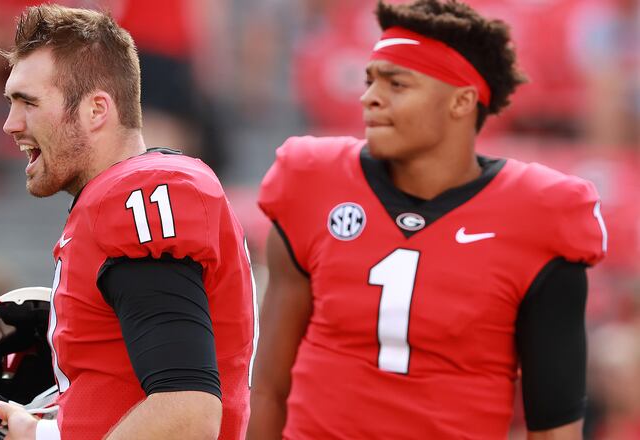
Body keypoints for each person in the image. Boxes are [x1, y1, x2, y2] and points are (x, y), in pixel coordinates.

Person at [247, 1, 608, 439]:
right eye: (369, 80)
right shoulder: (311, 179)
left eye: (397, 83)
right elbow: (268, 386)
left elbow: (554, 424)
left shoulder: (541, 213)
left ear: (461, 101)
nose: (369, 97)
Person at [0, 5, 257, 439]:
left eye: (28, 102)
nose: (10, 124)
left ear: (96, 109)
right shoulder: (116, 195)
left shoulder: (137, 193)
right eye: (10, 102)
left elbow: (187, 413)